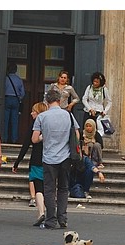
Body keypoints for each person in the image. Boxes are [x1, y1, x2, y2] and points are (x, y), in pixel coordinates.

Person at [32, 88, 78, 229]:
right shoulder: (68, 115)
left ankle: (51, 219)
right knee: (63, 188)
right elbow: (77, 135)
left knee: (49, 189)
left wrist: (44, 136)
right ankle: (62, 218)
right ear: (59, 100)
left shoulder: (42, 117)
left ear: (47, 101)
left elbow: (34, 139)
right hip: (65, 157)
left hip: (49, 157)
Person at [13, 102, 48, 227]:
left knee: (38, 187)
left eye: (34, 111)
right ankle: (46, 212)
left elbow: (26, 145)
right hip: (50, 159)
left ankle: (40, 212)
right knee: (46, 187)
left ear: (38, 113)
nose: (31, 113)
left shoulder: (35, 125)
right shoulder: (50, 125)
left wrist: (17, 162)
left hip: (36, 159)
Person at [3, 62, 25, 143]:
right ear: (16, 70)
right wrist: (19, 98)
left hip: (7, 98)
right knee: (14, 120)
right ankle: (14, 139)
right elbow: (22, 93)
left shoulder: (5, 79)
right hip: (15, 99)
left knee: (5, 120)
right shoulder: (19, 80)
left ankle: (4, 138)